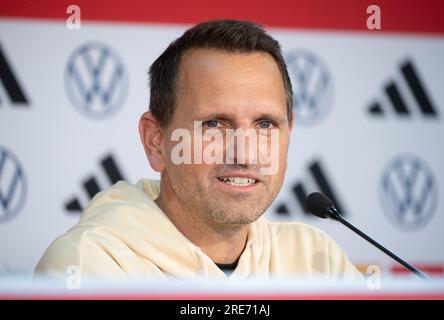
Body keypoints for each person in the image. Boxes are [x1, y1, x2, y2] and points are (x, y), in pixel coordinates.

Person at [35, 19, 361, 282]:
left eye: (265, 125)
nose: (245, 155)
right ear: (156, 142)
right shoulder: (89, 265)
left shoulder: (317, 262)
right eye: (214, 124)